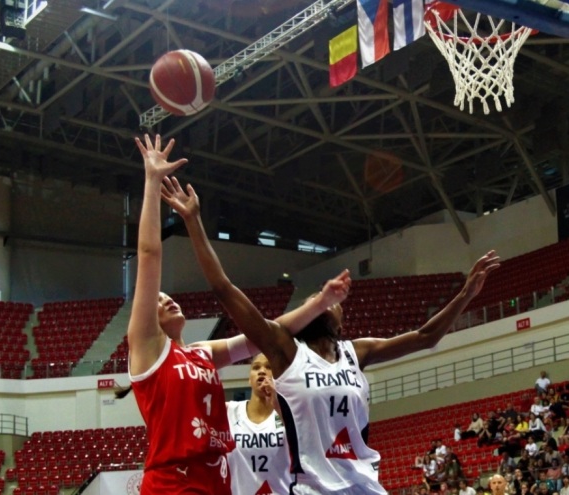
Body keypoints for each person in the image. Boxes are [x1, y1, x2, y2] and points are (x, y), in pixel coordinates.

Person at [160, 174, 500, 494]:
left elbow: (427, 336)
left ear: (341, 320)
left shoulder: (358, 352)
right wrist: (192, 220)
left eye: (327, 302)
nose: (320, 303)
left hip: (365, 486)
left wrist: (466, 293)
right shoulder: (286, 353)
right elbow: (223, 288)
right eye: (312, 300)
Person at [126, 135, 350, 494]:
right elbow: (149, 254)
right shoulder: (148, 350)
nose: (167, 300)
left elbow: (267, 332)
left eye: (169, 297)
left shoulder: (202, 354)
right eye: (158, 300)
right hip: (173, 483)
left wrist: (320, 304)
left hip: (217, 480)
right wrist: (152, 182)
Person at [226, 354, 290, 495]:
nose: (262, 371)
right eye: (256, 367)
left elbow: (303, 443)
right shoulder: (229, 411)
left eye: (269, 367)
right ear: (249, 379)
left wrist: (278, 404)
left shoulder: (289, 412)